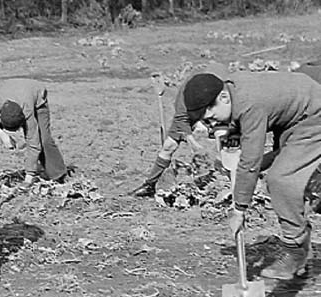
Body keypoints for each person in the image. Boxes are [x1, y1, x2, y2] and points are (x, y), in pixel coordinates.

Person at [182, 70, 321, 280]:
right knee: (279, 170)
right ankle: (302, 245)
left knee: (280, 179)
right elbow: (237, 134)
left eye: (212, 118)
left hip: (313, 117)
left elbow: (250, 161)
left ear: (223, 98)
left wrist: (239, 209)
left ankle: (295, 248)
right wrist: (230, 132)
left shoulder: (250, 105)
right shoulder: (231, 92)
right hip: (293, 118)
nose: (212, 124)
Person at [130, 62, 231, 197]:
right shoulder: (185, 96)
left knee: (223, 140)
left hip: (218, 113)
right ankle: (150, 185)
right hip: (191, 115)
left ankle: (227, 182)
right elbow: (181, 119)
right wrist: (192, 142)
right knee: (169, 146)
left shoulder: (219, 91)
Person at [0, 79, 68, 190]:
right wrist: (2, 135)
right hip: (12, 91)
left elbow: (33, 142)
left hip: (36, 94)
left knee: (43, 139)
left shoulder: (27, 110)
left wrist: (29, 176)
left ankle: (58, 174)